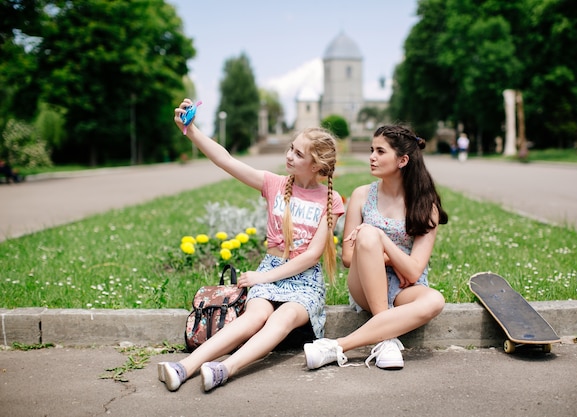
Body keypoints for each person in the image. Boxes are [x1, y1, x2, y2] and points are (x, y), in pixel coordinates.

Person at [158, 98, 344, 392]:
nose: (289, 156)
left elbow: (311, 256)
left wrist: (261, 277)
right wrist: (190, 130)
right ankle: (185, 367)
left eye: (298, 153)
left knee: (281, 319)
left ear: (316, 164)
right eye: (290, 148)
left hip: (304, 282)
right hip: (271, 268)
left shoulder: (331, 200)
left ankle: (224, 369)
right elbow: (226, 160)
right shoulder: (274, 184)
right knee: (255, 315)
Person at [304, 124, 448, 370]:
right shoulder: (362, 195)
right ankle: (385, 335)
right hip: (364, 282)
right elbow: (348, 257)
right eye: (372, 150)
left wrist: (385, 248)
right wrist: (382, 248)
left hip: (406, 287)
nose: (371, 157)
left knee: (435, 300)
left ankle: (336, 346)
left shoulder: (426, 206)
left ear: (402, 160)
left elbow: (413, 273)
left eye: (380, 151)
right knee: (369, 235)